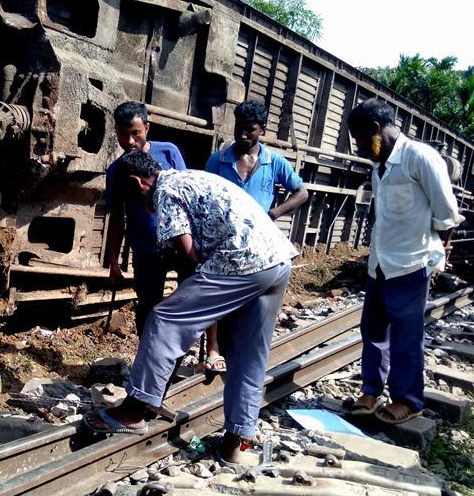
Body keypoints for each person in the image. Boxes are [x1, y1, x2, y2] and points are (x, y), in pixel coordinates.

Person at [84, 151, 297, 468]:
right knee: (246, 353)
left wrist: (191, 298)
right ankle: (236, 444)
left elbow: (190, 254)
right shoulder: (190, 178)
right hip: (277, 261)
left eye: (130, 198)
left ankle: (134, 410)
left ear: (136, 183)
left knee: (166, 318)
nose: (139, 208)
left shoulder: (164, 192)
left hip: (243, 260)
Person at [346, 99, 461, 426]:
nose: (359, 147)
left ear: (376, 130)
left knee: (406, 336)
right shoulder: (379, 164)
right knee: (372, 330)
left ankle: (407, 400)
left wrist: (440, 251)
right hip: (380, 264)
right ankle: (371, 389)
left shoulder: (420, 157)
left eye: (360, 139)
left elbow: (447, 214)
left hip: (411, 264)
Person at [104, 102, 224, 371]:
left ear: (147, 127)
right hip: (146, 249)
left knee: (198, 295)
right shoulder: (116, 170)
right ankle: (148, 360)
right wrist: (113, 260)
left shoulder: (168, 152)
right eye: (123, 135)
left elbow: (186, 196)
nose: (130, 141)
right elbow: (116, 216)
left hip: (181, 244)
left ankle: (210, 350)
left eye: (135, 133)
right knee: (147, 306)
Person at [206, 99, 309, 219]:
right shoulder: (217, 160)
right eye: (239, 128)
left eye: (250, 130)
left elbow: (302, 193)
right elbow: (205, 196)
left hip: (256, 234)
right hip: (221, 233)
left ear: (262, 129)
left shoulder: (274, 162)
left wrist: (272, 214)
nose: (243, 135)